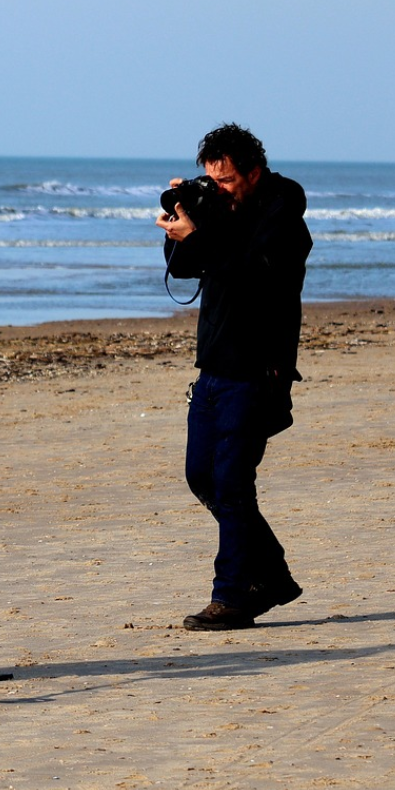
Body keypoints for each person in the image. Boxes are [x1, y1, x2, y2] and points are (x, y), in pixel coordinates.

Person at [157, 123, 312, 631]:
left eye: (225, 181)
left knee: (231, 481)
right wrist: (184, 222)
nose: (218, 189)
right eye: (211, 180)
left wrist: (203, 233)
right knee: (201, 477)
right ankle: (273, 577)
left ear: (253, 171)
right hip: (214, 367)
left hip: (257, 369)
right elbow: (185, 270)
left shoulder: (282, 207)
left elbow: (255, 269)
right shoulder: (221, 211)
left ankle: (232, 596)